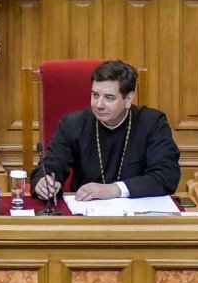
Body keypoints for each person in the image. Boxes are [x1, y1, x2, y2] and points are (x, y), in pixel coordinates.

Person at [32, 59, 180, 202]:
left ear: (128, 99)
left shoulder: (152, 123)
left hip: (137, 215)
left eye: (109, 98)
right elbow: (51, 165)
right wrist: (44, 182)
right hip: (86, 213)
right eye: (95, 95)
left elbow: (167, 176)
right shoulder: (73, 124)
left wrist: (115, 189)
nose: (99, 105)